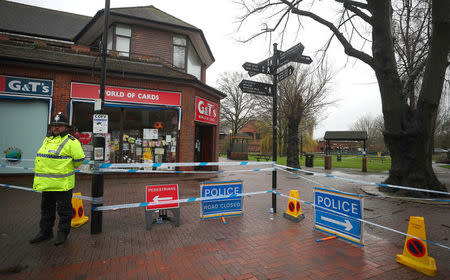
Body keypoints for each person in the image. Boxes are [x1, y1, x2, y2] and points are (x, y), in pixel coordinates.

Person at [30, 112, 85, 246]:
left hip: (63, 184)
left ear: (65, 127)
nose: (56, 128)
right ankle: (45, 232)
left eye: (60, 125)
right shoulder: (47, 140)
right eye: (54, 125)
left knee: (64, 211)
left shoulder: (72, 142)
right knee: (46, 210)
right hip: (46, 184)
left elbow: (79, 160)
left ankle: (62, 233)